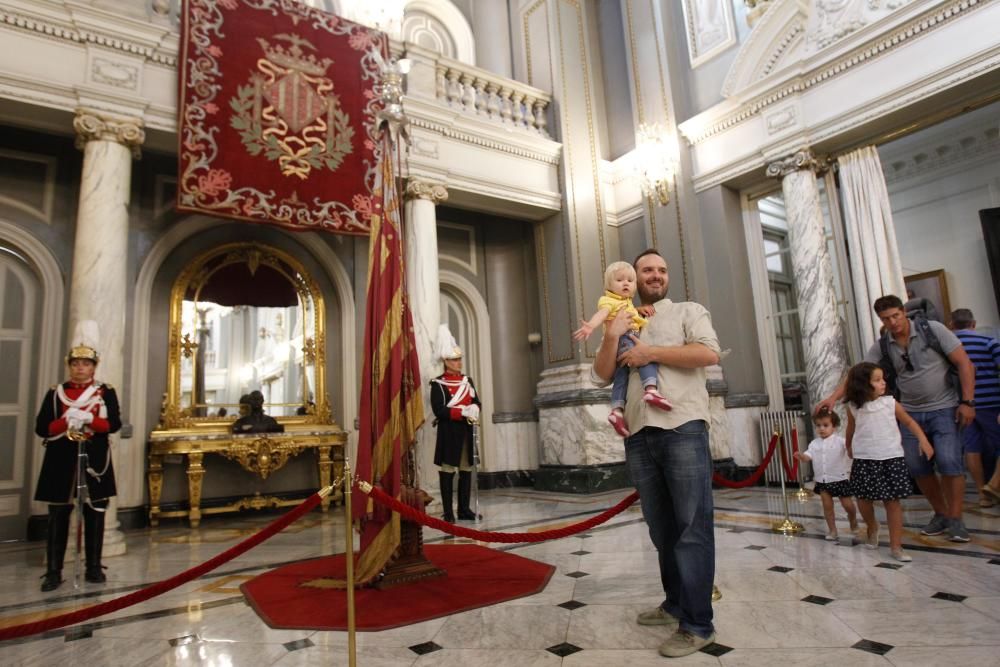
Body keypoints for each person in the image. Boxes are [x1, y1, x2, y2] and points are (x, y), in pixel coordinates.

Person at [591, 249, 721, 658]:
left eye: (662, 270)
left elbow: (708, 353)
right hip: (639, 433)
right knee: (662, 529)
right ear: (632, 276)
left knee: (691, 528)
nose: (656, 275)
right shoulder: (620, 314)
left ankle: (698, 623)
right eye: (647, 270)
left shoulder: (687, 310)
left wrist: (651, 353)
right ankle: (674, 604)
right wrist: (613, 333)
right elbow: (603, 373)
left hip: (682, 426)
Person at [815, 294, 976, 542]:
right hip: (909, 409)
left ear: (903, 312)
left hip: (944, 406)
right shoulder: (883, 344)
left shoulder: (932, 330)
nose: (892, 322)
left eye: (895, 316)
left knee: (949, 461)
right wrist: (833, 398)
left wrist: (967, 401)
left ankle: (956, 519)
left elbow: (964, 363)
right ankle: (941, 514)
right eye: (885, 319)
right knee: (916, 465)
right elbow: (858, 374)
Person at [34, 321, 122, 591]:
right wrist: (66, 421)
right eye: (76, 363)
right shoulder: (55, 393)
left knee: (95, 513)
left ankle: (94, 567)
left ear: (94, 367)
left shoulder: (105, 392)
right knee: (58, 515)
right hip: (61, 458)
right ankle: (53, 571)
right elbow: (42, 428)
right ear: (69, 365)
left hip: (93, 458)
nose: (80, 368)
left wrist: (90, 419)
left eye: (85, 363)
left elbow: (114, 424)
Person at [843, 362, 934, 562]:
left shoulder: (890, 403)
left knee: (892, 502)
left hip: (891, 457)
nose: (883, 383)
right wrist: (848, 445)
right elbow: (851, 429)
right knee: (863, 500)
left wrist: (923, 439)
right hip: (865, 458)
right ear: (863, 385)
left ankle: (896, 546)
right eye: (877, 380)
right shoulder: (853, 407)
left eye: (883, 379)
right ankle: (872, 525)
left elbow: (909, 422)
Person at [573, 261, 671, 437]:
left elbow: (630, 311)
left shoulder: (626, 303)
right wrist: (591, 326)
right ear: (608, 285)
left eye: (629, 280)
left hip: (619, 344)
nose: (625, 283)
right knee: (645, 356)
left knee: (622, 375)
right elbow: (602, 314)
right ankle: (651, 390)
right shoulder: (608, 300)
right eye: (619, 280)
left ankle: (617, 410)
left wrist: (638, 310)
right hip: (625, 338)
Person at [431, 324, 482, 523]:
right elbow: (439, 410)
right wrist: (462, 412)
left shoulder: (467, 381)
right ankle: (448, 512)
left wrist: (476, 408)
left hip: (467, 432)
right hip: (449, 433)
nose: (459, 362)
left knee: (466, 471)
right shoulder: (437, 384)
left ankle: (464, 509)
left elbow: (476, 401)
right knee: (447, 472)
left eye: (459, 359)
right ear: (446, 361)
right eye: (454, 359)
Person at [950, 308, 1000, 507]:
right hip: (992, 403)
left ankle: (982, 494)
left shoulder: (949, 346)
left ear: (951, 325)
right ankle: (994, 486)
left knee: (972, 447)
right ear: (974, 324)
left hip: (963, 404)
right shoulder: (989, 342)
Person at [793, 408, 858, 540]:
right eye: (818, 425)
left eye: (826, 425)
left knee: (848, 505)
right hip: (823, 481)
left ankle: (853, 519)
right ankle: (832, 530)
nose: (821, 429)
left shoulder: (840, 441)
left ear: (834, 426)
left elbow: (851, 449)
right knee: (827, 507)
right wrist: (801, 456)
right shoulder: (814, 444)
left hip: (839, 479)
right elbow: (808, 456)